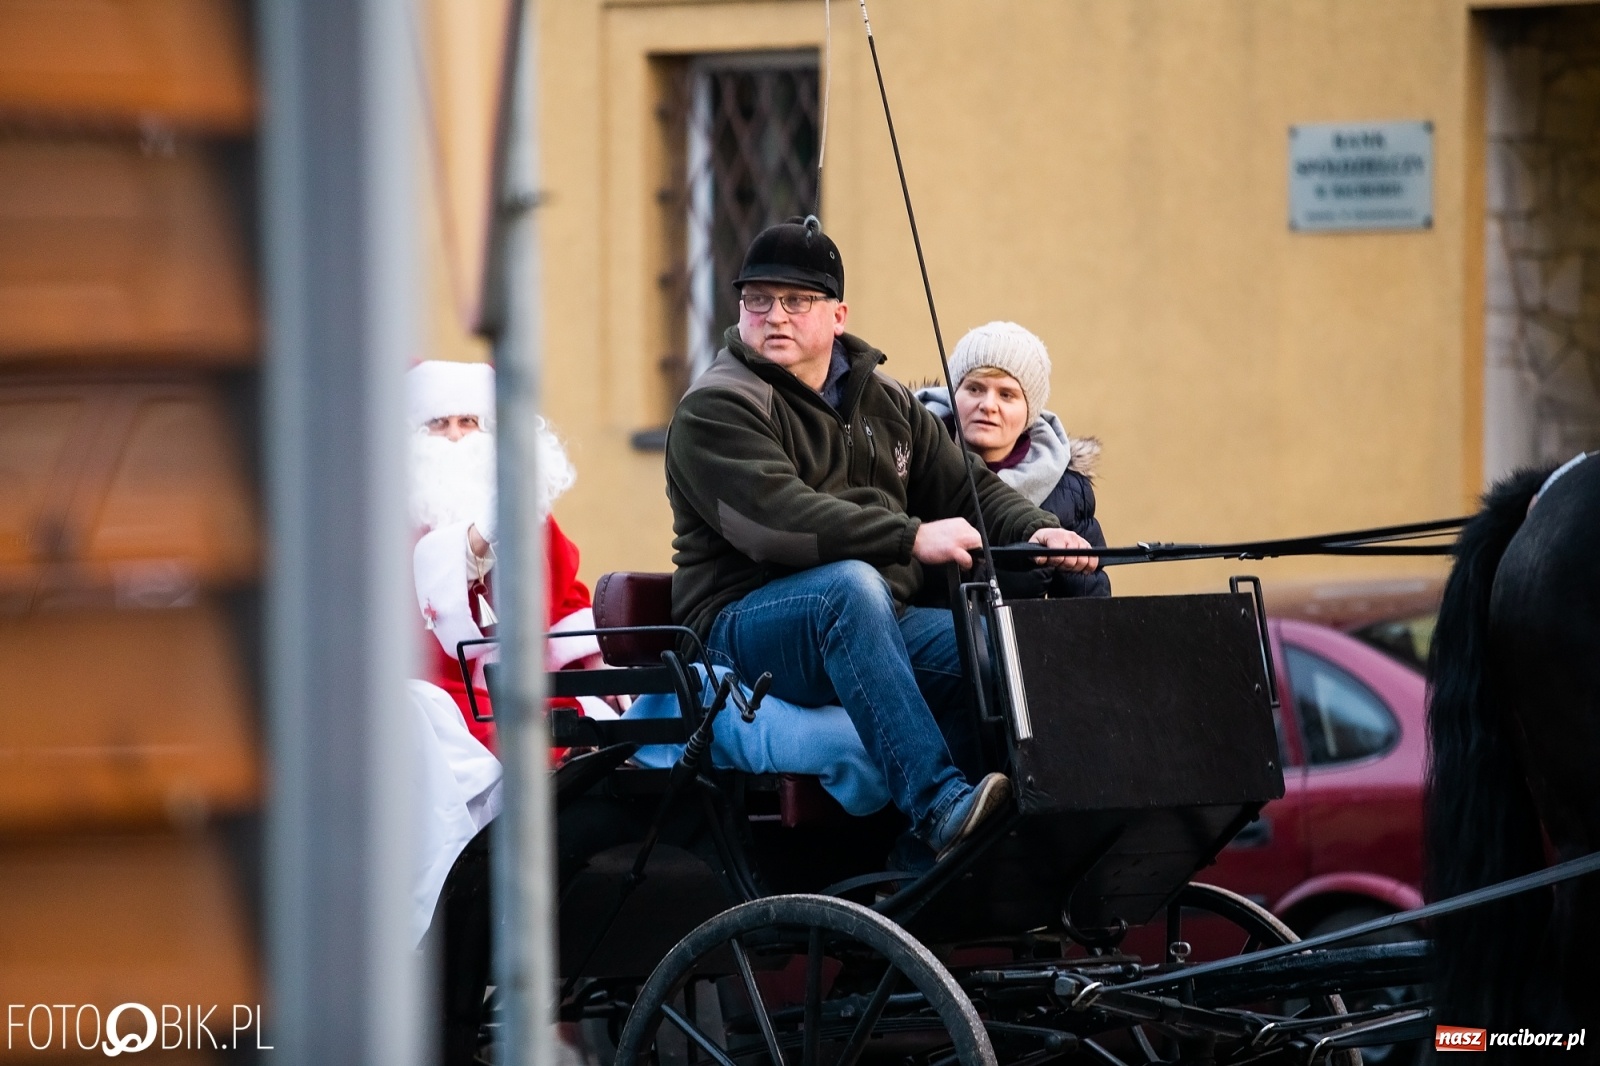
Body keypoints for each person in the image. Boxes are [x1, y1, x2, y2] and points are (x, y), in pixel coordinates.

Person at [664, 216, 1098, 859]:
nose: (775, 315)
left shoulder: (886, 401)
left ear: (837, 316)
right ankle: (939, 806)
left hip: (871, 622)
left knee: (994, 648)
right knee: (851, 586)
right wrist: (909, 536)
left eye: (797, 301)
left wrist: (1041, 529)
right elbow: (776, 522)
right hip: (745, 630)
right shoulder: (718, 405)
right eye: (758, 299)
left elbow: (967, 489)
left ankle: (965, 856)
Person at [407, 359, 603, 753]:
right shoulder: (395, 514)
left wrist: (595, 667)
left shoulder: (529, 516)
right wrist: (475, 541)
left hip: (525, 687)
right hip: (440, 691)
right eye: (439, 424)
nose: (455, 437)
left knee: (602, 728)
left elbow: (566, 596)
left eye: (468, 422)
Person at [915, 321, 1111, 600]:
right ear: (953, 393)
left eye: (1007, 395)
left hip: (1020, 641)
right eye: (974, 389)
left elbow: (1087, 613)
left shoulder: (1065, 492)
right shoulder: (905, 458)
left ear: (1029, 411)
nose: (988, 405)